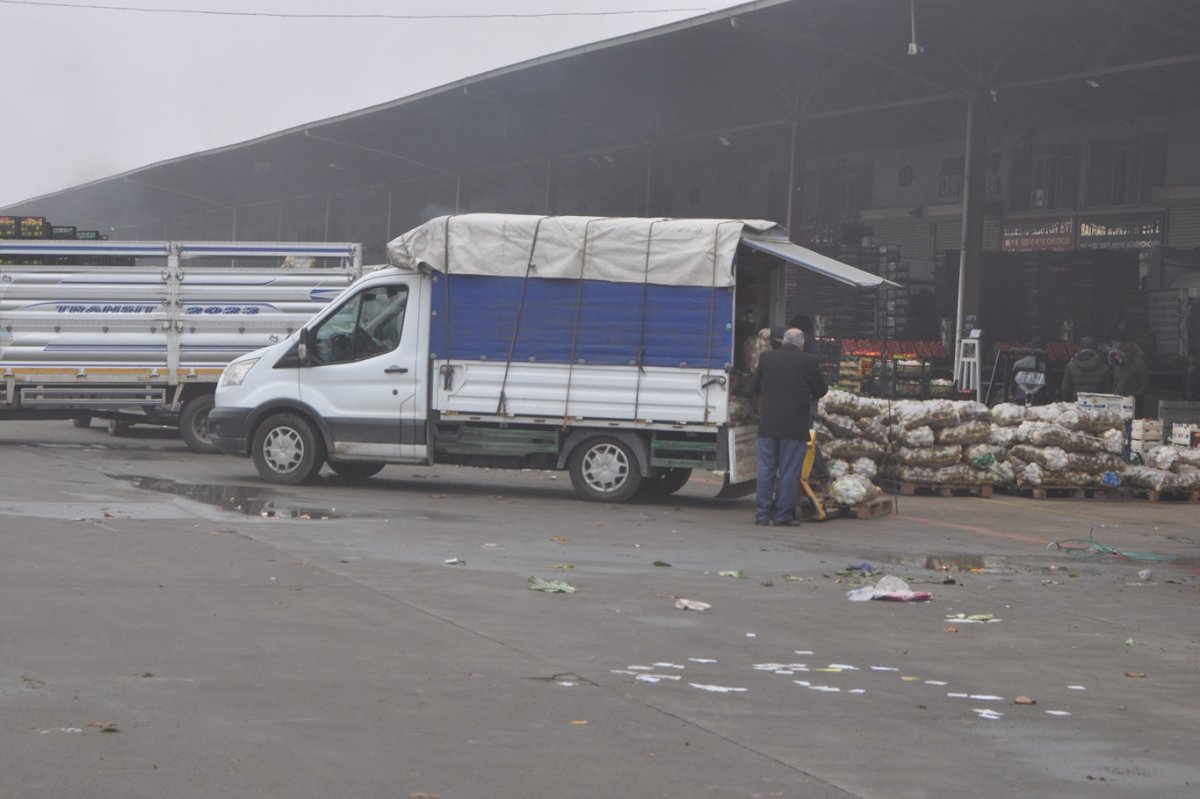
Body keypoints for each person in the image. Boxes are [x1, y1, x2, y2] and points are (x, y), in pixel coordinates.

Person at [752, 327, 828, 526]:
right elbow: (821, 390)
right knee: (789, 471)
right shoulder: (809, 361)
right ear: (801, 343)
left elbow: (754, 387)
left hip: (768, 425)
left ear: (783, 341)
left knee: (766, 470)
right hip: (795, 427)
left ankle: (762, 515)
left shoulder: (767, 358)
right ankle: (783, 516)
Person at [1060, 336, 1111, 402]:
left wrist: (1067, 404)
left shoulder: (1070, 366)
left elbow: (1065, 390)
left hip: (1076, 407)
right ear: (1095, 349)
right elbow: (1107, 391)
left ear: (1080, 348)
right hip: (1097, 407)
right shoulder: (1104, 367)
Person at [1110, 341, 1149, 417]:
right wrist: (1113, 395)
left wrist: (1134, 397)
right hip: (1118, 402)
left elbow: (1145, 385)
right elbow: (1115, 382)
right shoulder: (1118, 365)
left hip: (1134, 404)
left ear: (1125, 354)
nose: (1116, 357)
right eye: (1115, 355)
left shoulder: (1139, 364)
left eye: (1118, 355)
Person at [1011, 336, 1047, 405]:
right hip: (1039, 401)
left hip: (1020, 399)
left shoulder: (1018, 364)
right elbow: (1047, 385)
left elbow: (1013, 382)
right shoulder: (1044, 366)